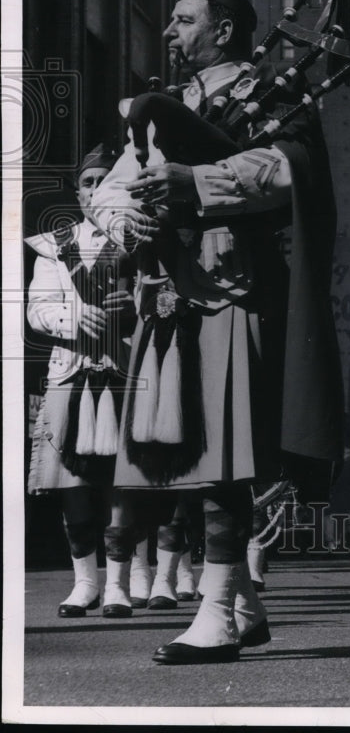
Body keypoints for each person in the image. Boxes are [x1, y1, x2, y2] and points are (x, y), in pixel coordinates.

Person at [90, 0, 344, 663]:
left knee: (224, 461)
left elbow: (293, 170)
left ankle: (215, 612)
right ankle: (245, 604)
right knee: (194, 454)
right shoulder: (164, 103)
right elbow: (108, 190)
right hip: (170, 294)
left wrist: (196, 182)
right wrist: (126, 220)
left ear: (224, 30)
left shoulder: (274, 94)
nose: (169, 32)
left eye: (183, 20)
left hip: (236, 285)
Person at [26, 145, 136, 617]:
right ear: (78, 191)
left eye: (106, 181)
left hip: (123, 371)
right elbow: (37, 309)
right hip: (70, 372)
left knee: (122, 483)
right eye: (88, 182)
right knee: (71, 483)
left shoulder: (140, 240)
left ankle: (118, 585)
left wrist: (135, 311)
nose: (96, 191)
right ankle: (84, 582)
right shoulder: (54, 245)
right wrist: (73, 316)